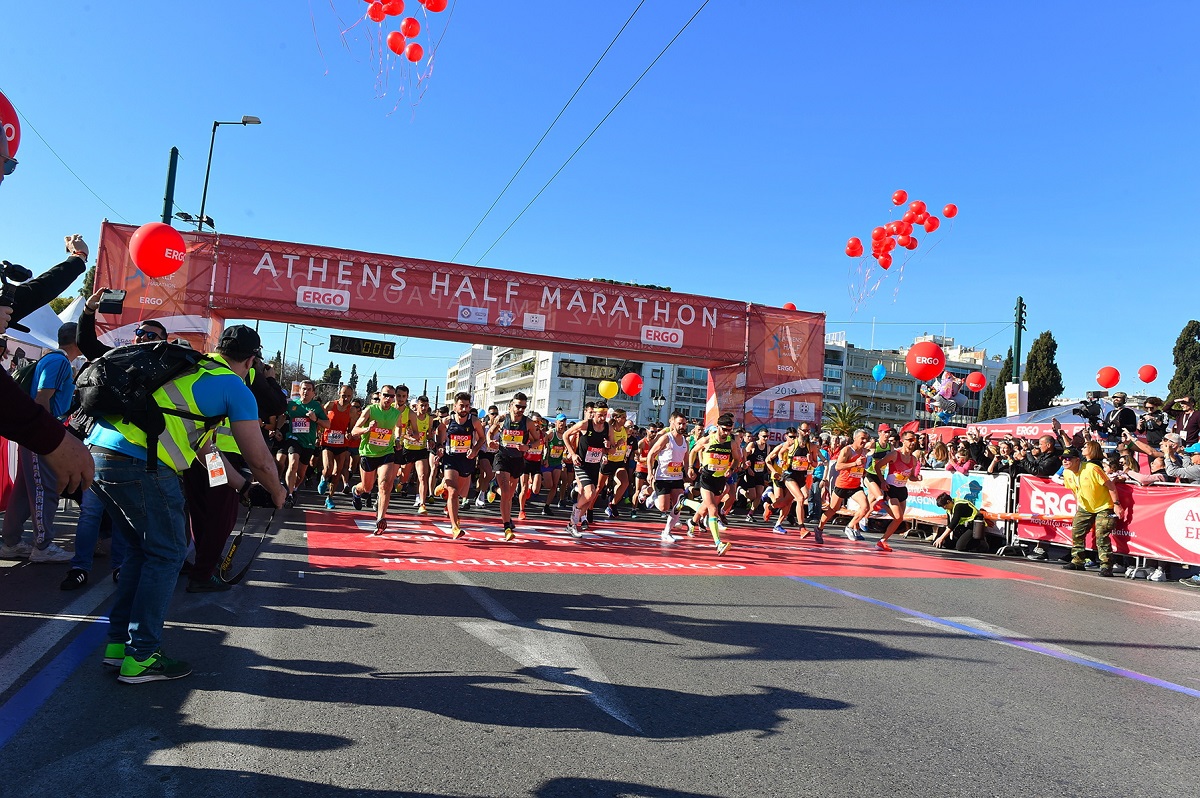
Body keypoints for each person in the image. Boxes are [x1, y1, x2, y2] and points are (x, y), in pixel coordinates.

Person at [85, 325, 286, 683]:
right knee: (167, 554)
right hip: (141, 463)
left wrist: (243, 488)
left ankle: (119, 647)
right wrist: (275, 489)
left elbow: (207, 451)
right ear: (251, 361)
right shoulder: (233, 386)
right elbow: (259, 458)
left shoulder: (186, 366)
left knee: (140, 552)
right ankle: (143, 656)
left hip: (100, 454)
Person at [0, 323, 83, 562]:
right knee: (44, 489)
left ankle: (12, 542)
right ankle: (43, 546)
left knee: (25, 490)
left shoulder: (52, 359)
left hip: (37, 433)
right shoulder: (58, 361)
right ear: (77, 340)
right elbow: (42, 398)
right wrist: (47, 435)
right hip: (44, 434)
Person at [1059, 447, 1121, 577]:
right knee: (1076, 531)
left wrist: (1116, 504)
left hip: (1103, 506)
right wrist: (1078, 504)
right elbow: (1073, 490)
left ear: (1077, 460)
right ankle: (1078, 561)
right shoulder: (1067, 472)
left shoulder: (1092, 468)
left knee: (1101, 534)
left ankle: (1106, 565)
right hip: (1085, 507)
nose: (1065, 461)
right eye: (1063, 459)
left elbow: (1110, 485)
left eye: (1068, 459)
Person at [433, 392, 486, 539]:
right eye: (461, 406)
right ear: (455, 406)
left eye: (467, 406)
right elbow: (439, 433)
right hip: (451, 459)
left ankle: (443, 485)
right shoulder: (447, 421)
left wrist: (475, 450)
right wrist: (440, 447)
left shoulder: (474, 421)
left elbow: (482, 438)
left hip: (466, 459)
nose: (464, 409)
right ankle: (455, 527)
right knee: (454, 491)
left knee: (462, 493)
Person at [684, 413, 739, 555]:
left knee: (705, 507)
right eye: (724, 430)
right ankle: (718, 544)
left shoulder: (731, 443)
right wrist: (691, 467)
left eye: (729, 430)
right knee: (713, 509)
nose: (726, 433)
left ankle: (689, 515)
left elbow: (738, 459)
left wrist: (731, 469)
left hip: (720, 480)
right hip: (706, 478)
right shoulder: (707, 439)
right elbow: (693, 451)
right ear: (717, 427)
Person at [351, 386, 401, 533]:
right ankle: (356, 491)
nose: (389, 399)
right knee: (367, 487)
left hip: (386, 452)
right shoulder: (370, 410)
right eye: (386, 395)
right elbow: (354, 430)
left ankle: (380, 518)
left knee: (385, 485)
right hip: (368, 453)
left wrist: (397, 439)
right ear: (380, 395)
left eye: (392, 397)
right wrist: (367, 429)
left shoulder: (396, 413)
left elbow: (398, 428)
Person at [489, 392, 539, 541]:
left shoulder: (528, 422)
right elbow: (490, 433)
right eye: (518, 406)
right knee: (505, 493)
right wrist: (489, 442)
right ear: (511, 405)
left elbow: (537, 441)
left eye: (524, 407)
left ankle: (493, 487)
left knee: (509, 495)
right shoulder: (502, 419)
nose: (520, 410)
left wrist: (527, 446)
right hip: (502, 457)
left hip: (517, 460)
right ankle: (507, 527)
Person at [563, 401, 615, 538]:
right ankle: (576, 512)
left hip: (595, 464)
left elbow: (613, 449)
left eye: (605, 415)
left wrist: (608, 446)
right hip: (581, 463)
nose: (602, 418)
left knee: (589, 496)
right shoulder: (585, 424)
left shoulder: (608, 428)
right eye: (600, 415)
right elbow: (565, 435)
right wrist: (573, 454)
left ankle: (572, 523)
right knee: (590, 492)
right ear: (594, 413)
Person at [275, 380, 329, 508]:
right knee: (293, 463)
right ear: (299, 391)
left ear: (313, 393)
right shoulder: (293, 404)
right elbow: (283, 416)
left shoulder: (316, 407)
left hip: (308, 443)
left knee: (301, 474)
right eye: (304, 389)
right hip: (293, 438)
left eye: (309, 389)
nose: (306, 391)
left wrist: (315, 419)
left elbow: (327, 424)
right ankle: (289, 493)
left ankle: (294, 488)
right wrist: (278, 429)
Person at [643, 410, 691, 543]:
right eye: (680, 424)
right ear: (672, 423)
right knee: (664, 507)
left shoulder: (685, 441)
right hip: (662, 477)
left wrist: (689, 470)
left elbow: (686, 459)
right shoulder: (666, 438)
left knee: (678, 505)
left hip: (677, 478)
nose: (682, 426)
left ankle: (666, 532)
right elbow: (651, 455)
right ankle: (652, 494)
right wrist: (650, 473)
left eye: (684, 424)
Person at [816, 428, 872, 541]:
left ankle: (850, 527)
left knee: (866, 507)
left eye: (866, 439)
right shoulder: (847, 450)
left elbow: (860, 467)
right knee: (832, 509)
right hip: (842, 485)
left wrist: (863, 471)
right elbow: (838, 466)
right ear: (855, 438)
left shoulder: (864, 452)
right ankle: (819, 528)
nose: (864, 441)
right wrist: (855, 463)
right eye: (862, 438)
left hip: (855, 486)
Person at [873, 430, 923, 552]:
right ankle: (882, 504)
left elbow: (910, 476)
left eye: (914, 440)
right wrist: (883, 481)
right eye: (910, 440)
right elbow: (877, 466)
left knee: (898, 519)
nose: (912, 443)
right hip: (891, 488)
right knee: (898, 516)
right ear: (903, 441)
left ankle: (882, 541)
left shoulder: (913, 459)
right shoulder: (895, 454)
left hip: (902, 490)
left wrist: (916, 478)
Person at [318, 384, 358, 510]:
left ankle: (330, 498)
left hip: (342, 443)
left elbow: (351, 428)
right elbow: (321, 418)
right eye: (343, 395)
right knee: (328, 468)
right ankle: (324, 477)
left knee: (337, 472)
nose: (346, 398)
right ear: (339, 393)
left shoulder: (352, 410)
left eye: (348, 396)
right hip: (327, 442)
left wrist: (350, 434)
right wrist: (319, 432)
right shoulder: (331, 405)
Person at [398, 394, 437, 515]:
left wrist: (431, 440)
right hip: (408, 448)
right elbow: (402, 432)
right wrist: (410, 437)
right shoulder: (411, 416)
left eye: (426, 406)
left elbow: (429, 434)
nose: (424, 408)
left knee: (422, 476)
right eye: (422, 406)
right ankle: (400, 482)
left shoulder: (429, 419)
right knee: (404, 477)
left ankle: (422, 503)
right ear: (417, 406)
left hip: (420, 450)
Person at [597, 408, 632, 520]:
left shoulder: (625, 430)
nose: (625, 419)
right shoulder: (610, 429)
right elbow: (605, 446)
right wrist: (617, 445)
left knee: (625, 482)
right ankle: (589, 508)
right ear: (616, 418)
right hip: (608, 461)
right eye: (623, 417)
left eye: (626, 417)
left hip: (619, 462)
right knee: (599, 487)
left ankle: (612, 504)